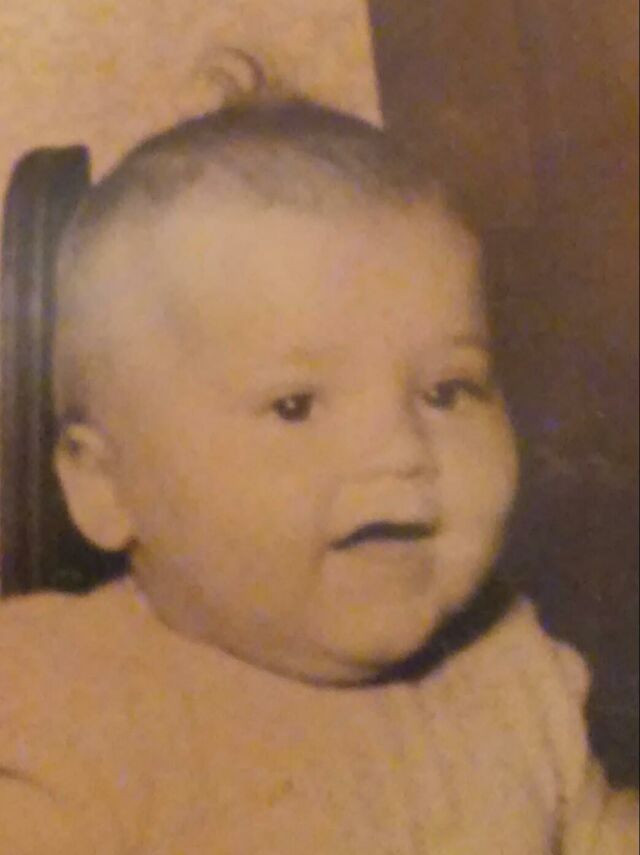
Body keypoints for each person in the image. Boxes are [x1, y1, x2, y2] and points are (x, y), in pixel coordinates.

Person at [0, 98, 637, 854]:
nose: (400, 447)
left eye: (447, 391)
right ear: (107, 487)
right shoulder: (62, 704)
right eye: (295, 406)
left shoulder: (507, 664)